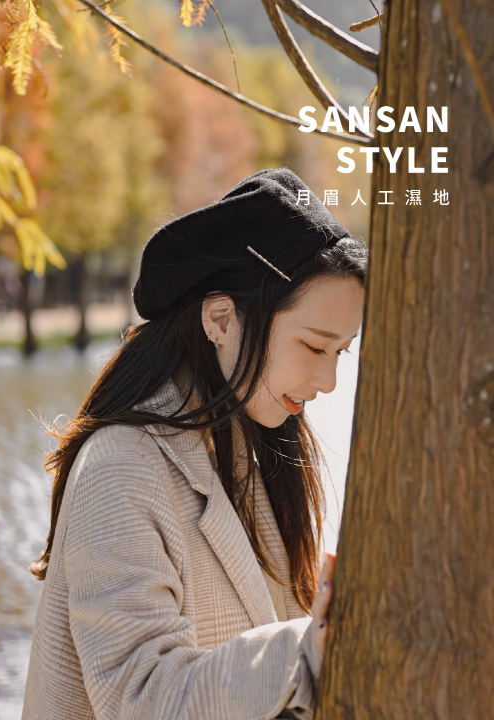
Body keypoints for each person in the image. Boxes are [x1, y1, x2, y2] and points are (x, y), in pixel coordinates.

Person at [22, 169, 362, 719]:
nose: (328, 382)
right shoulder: (120, 467)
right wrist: (311, 647)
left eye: (341, 352)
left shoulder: (256, 446)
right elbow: (142, 696)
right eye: (314, 347)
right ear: (221, 318)